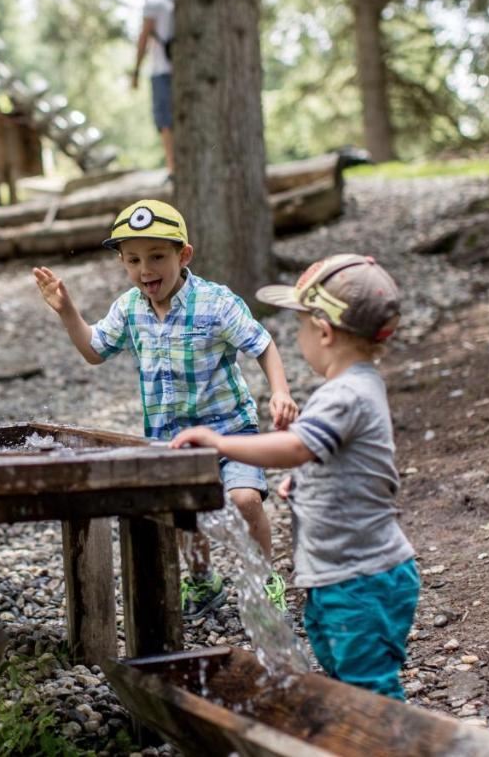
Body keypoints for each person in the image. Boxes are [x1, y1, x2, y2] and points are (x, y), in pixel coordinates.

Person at [32, 199, 298, 621]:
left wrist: (279, 392)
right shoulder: (130, 308)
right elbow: (94, 351)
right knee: (184, 514)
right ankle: (203, 579)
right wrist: (67, 311)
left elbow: (262, 344)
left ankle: (264, 580)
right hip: (171, 440)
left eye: (157, 257)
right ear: (121, 261)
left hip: (232, 430)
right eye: (133, 259)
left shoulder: (215, 303)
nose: (145, 270)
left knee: (245, 499)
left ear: (183, 255)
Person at [171, 254, 419, 701]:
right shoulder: (361, 384)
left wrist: (221, 443)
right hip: (336, 575)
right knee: (337, 665)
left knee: (371, 689)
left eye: (300, 326)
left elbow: (297, 447)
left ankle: (389, 742)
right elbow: (336, 458)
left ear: (323, 333)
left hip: (360, 579)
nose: (297, 337)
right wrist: (305, 480)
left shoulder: (344, 394)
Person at [130, 0, 175, 176]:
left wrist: (136, 71)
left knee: (164, 120)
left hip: (160, 68)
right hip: (177, 68)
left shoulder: (152, 0)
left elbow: (144, 36)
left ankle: (172, 167)